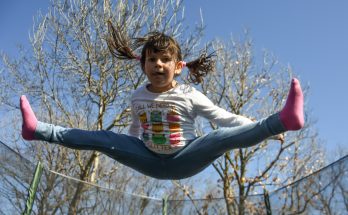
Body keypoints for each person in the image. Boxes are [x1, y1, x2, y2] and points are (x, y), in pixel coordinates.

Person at [20, 22, 304, 180]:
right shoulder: (137, 96)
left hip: (186, 157)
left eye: (164, 60)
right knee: (103, 138)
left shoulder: (188, 94)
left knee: (221, 137)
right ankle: (37, 130)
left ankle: (281, 121)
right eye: (152, 59)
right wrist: (123, 148)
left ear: (178, 66)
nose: (158, 65)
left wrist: (262, 130)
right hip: (149, 158)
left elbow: (222, 117)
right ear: (142, 64)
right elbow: (133, 131)